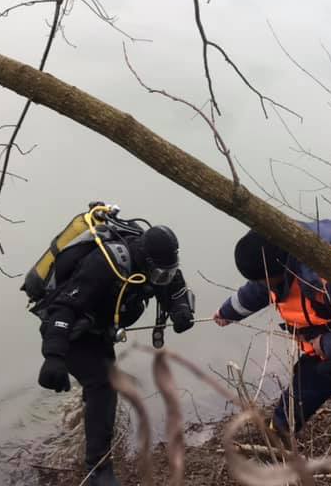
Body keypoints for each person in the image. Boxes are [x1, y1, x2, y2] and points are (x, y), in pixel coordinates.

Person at [213, 219, 331, 475]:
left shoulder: (327, 271)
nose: (262, 285)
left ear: (279, 268)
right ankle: (272, 460)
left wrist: (326, 345)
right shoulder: (277, 263)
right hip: (328, 359)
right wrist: (227, 312)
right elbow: (257, 291)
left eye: (264, 280)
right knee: (282, 421)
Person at [27, 202, 196, 486]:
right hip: (71, 332)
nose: (162, 278)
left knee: (101, 386)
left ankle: (87, 417)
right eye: (160, 273)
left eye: (166, 272)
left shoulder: (159, 263)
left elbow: (174, 286)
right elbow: (63, 308)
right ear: (145, 259)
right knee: (104, 385)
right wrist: (53, 356)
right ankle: (98, 469)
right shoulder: (105, 265)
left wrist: (180, 310)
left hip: (102, 328)